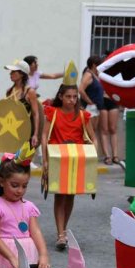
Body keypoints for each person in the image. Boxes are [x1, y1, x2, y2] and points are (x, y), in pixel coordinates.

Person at [41, 84, 95, 250]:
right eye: (68, 96)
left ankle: (63, 229)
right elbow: (44, 136)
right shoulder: (53, 113)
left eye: (74, 97)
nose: (72, 100)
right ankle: (60, 234)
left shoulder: (82, 115)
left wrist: (92, 157)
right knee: (59, 196)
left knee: (70, 196)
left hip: (76, 160)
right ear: (60, 97)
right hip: (58, 159)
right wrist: (45, 159)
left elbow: (93, 138)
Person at [4, 59, 41, 149]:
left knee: (22, 161)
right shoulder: (9, 91)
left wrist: (35, 135)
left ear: (21, 74)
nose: (10, 74)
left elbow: (36, 114)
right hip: (10, 130)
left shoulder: (30, 92)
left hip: (25, 132)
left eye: (13, 72)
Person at [78, 56, 105, 161]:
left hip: (95, 107)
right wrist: (89, 101)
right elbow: (81, 89)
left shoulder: (95, 75)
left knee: (92, 131)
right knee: (89, 133)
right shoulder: (88, 75)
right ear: (94, 65)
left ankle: (89, 155)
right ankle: (86, 155)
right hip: (90, 107)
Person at [99, 50, 121, 164]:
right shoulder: (99, 71)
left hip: (113, 100)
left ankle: (115, 155)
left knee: (113, 128)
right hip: (102, 100)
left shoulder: (116, 71)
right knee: (104, 129)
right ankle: (107, 156)